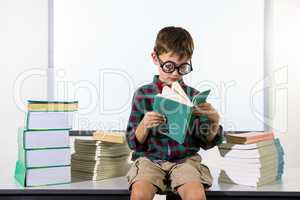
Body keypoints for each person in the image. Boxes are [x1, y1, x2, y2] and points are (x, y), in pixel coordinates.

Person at [126, 26, 224, 200]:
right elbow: (133, 143)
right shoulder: (143, 94)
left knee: (195, 194)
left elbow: (207, 142)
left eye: (183, 67)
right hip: (150, 159)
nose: (175, 73)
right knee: (140, 193)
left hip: (185, 160)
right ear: (155, 58)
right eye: (169, 66)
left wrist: (214, 120)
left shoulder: (193, 97)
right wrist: (145, 125)